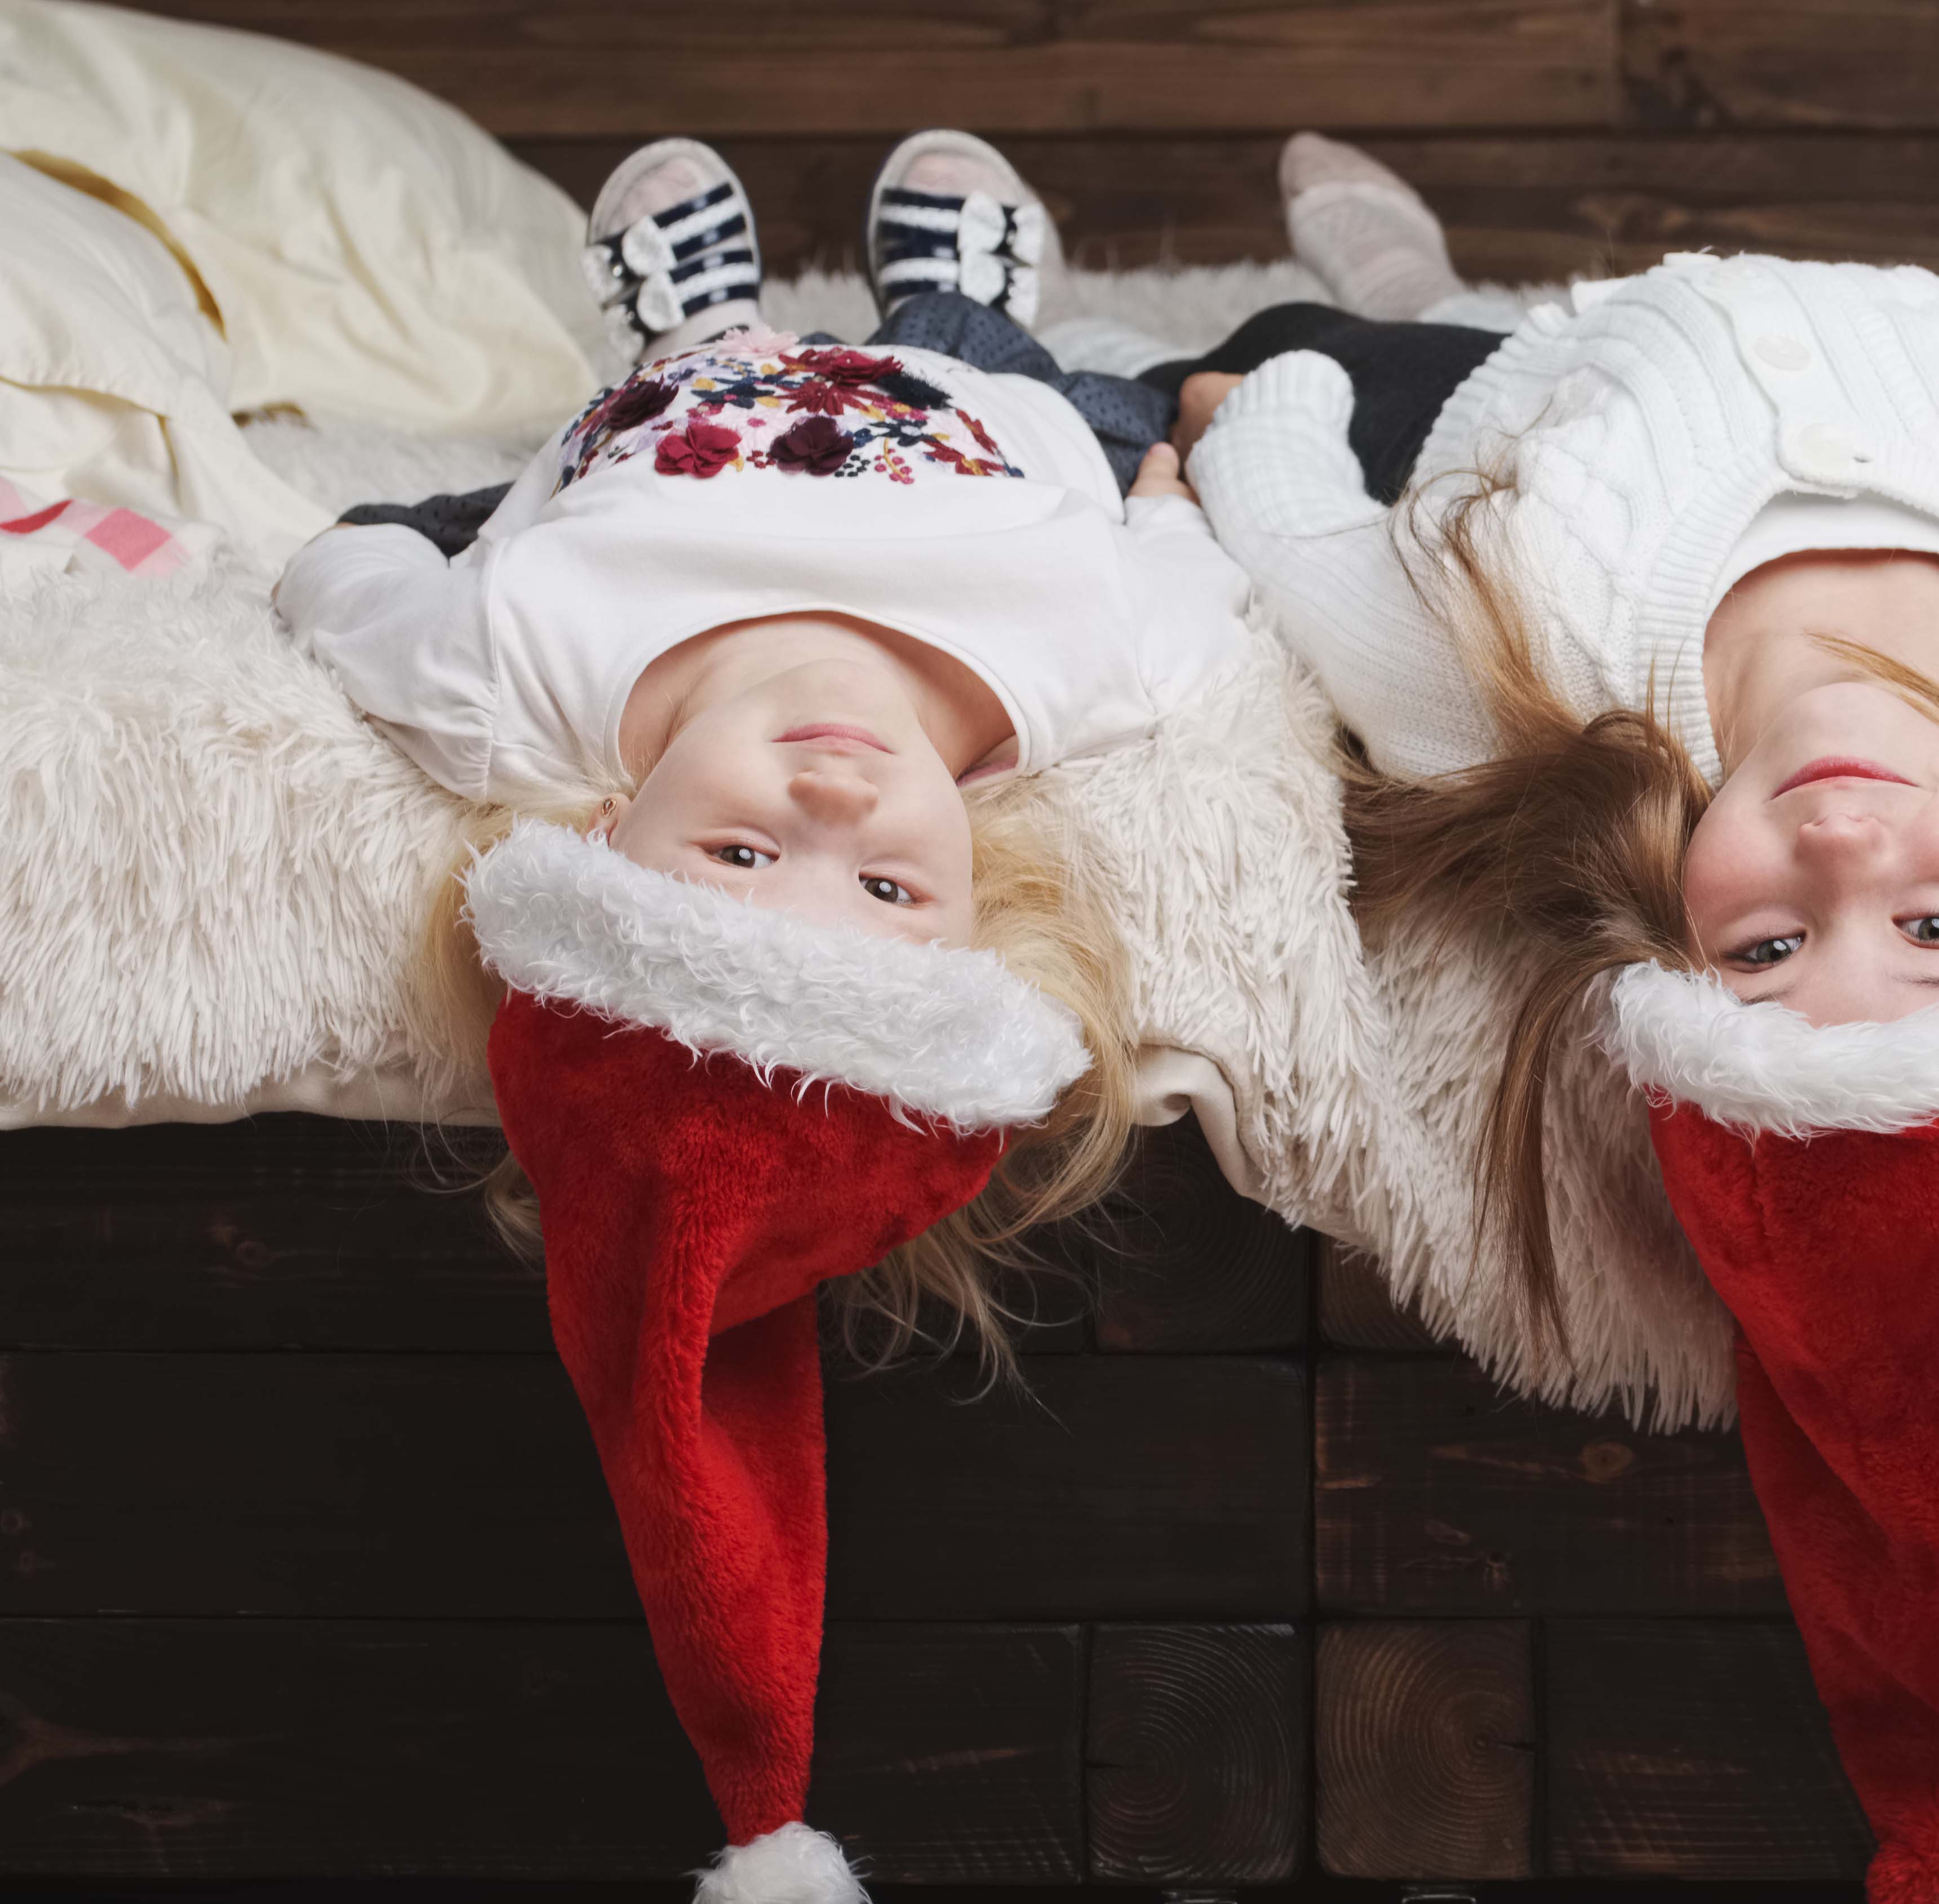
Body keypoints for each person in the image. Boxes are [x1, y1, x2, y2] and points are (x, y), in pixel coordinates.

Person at [1180, 137, 1939, 1904]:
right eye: (1937, 929)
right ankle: (1425, 292)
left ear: (1674, 925)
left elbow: (1289, 508)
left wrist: (1268, 408)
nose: (1844, 849)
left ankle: (1401, 301)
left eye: (1767, 947)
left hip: (1543, 391)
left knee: (1295, 357)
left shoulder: (1516, 677)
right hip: (1878, 349)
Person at [269, 131, 1246, 1904]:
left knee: (633, 404)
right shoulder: (1084, 666)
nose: (831, 806)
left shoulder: (512, 679)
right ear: (971, 894)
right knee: (1081, 407)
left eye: (732, 855)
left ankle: (690, 322)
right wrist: (1169, 499)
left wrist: (416, 541)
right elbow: (1192, 581)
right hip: (965, 421)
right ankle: (957, 297)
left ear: (603, 831)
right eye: (890, 892)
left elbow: (342, 585)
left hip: (680, 431)